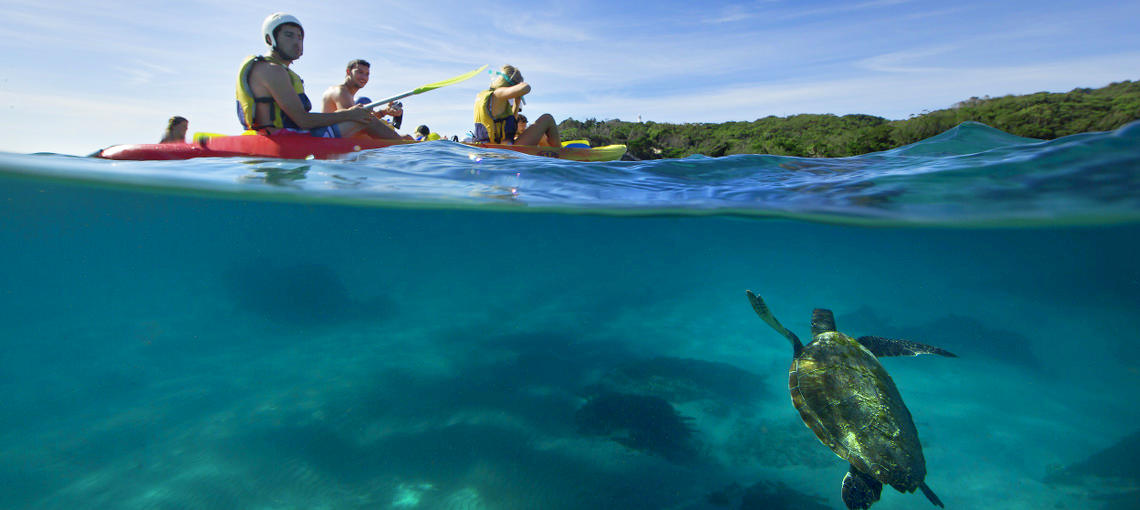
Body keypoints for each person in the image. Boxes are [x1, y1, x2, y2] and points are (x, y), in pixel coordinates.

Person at [235, 13, 401, 139]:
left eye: (300, 37)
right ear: (270, 39)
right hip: (285, 138)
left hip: (286, 133)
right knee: (363, 119)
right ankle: (404, 146)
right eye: (288, 35)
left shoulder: (274, 69)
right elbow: (303, 121)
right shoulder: (272, 70)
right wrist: (350, 114)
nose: (296, 42)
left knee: (361, 116)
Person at [473, 65, 560, 147]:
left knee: (542, 137)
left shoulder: (486, 97)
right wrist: (520, 85)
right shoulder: (497, 94)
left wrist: (517, 102)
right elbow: (526, 88)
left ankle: (552, 154)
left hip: (492, 146)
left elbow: (510, 123)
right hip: (501, 149)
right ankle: (561, 153)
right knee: (547, 118)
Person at [321, 59, 404, 123]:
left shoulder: (346, 93)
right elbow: (354, 121)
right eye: (360, 72)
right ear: (348, 72)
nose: (364, 77)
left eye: (367, 74)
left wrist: (385, 112)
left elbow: (357, 119)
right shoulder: (341, 91)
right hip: (329, 138)